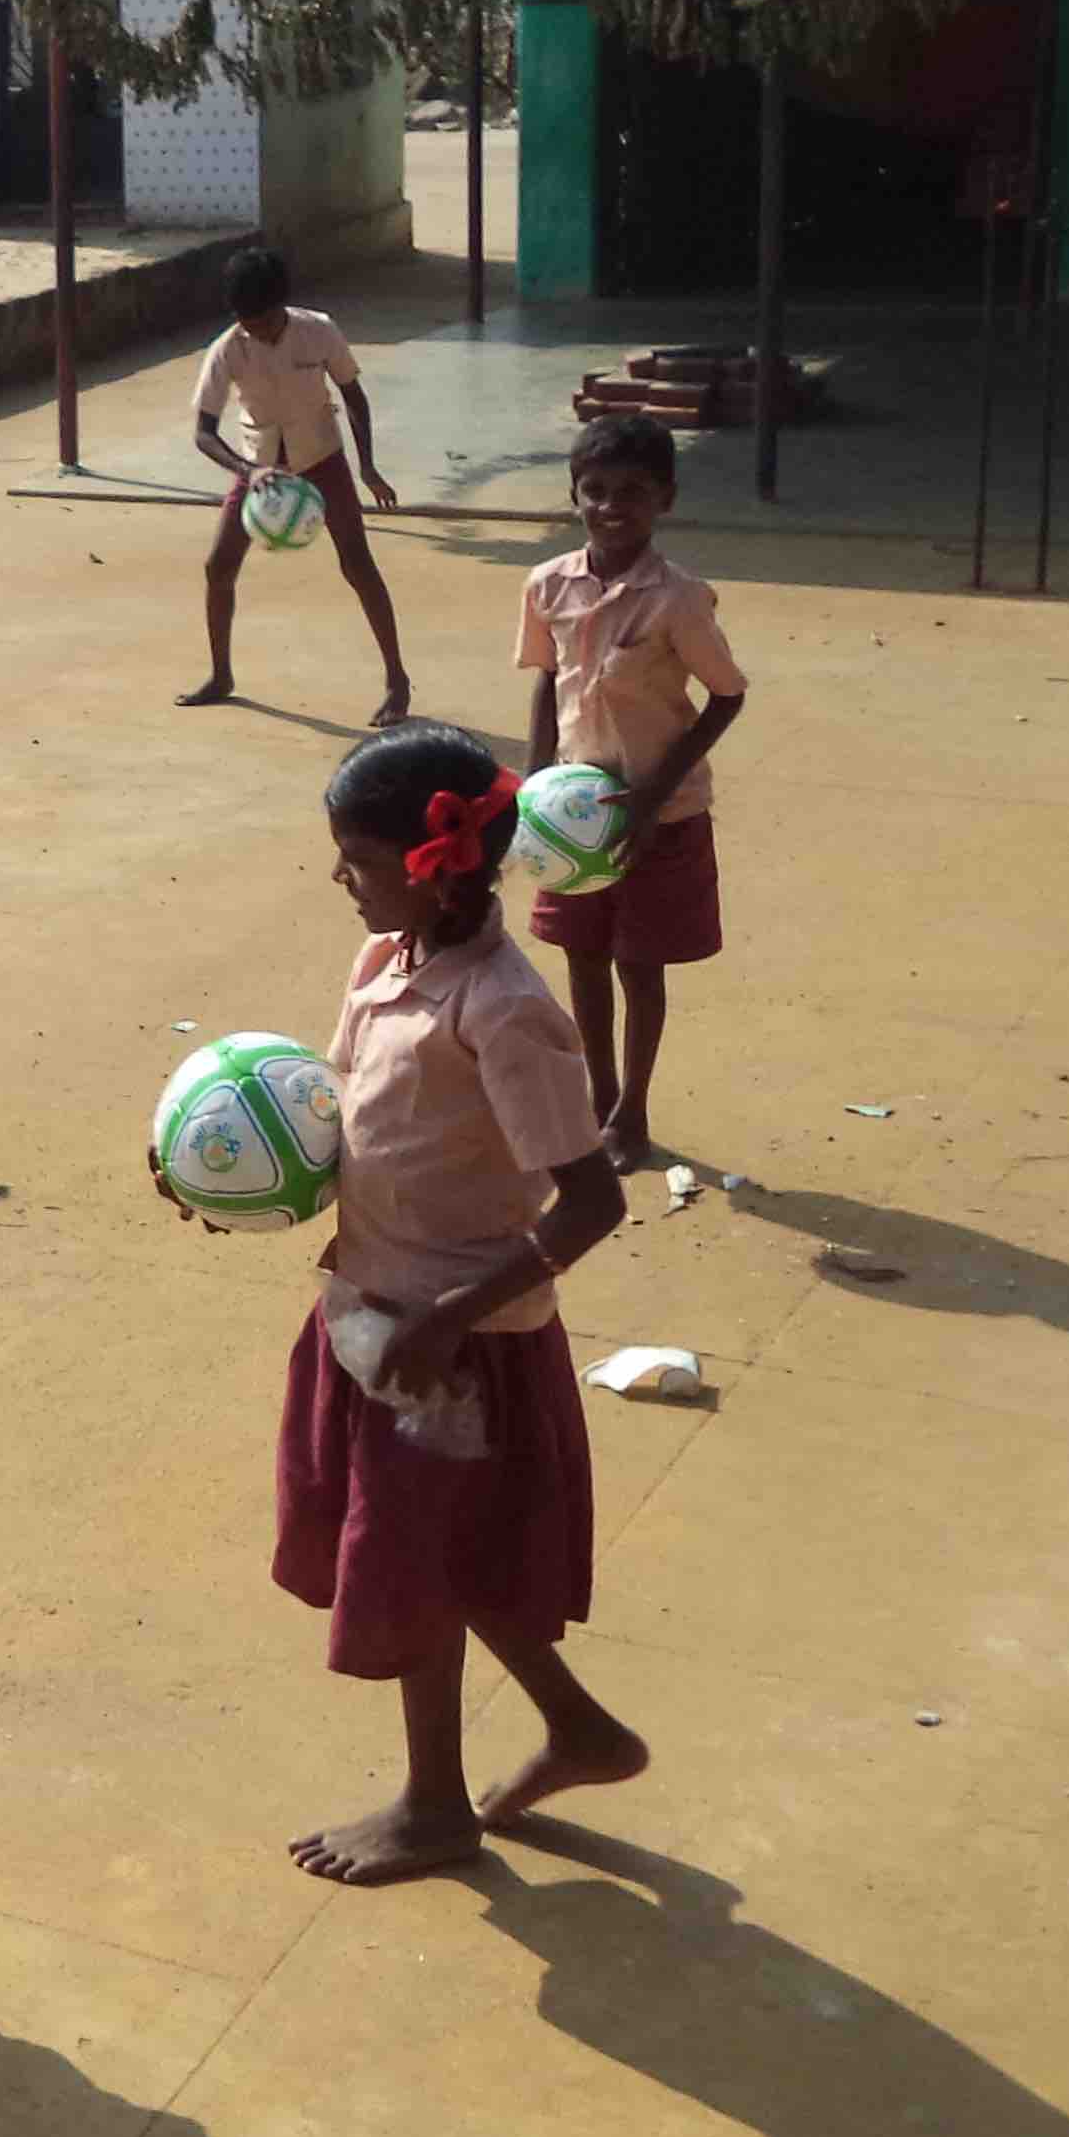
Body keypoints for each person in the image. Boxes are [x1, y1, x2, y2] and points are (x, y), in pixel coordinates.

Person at [234, 724, 639, 1887]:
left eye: (359, 859)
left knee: (426, 1569)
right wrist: (240, 1176)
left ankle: (434, 1808)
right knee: (442, 1559)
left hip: (458, 1355)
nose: (339, 877)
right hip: (379, 1320)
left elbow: (592, 1202)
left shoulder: (505, 1012)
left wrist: (452, 1315)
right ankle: (578, 1731)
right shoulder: (384, 964)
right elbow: (360, 1122)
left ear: (438, 864)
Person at [519, 413, 748, 1169]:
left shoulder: (679, 599)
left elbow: (726, 697)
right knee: (582, 957)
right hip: (569, 819)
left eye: (633, 493)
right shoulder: (546, 585)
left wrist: (652, 796)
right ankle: (599, 1097)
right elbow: (547, 681)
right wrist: (531, 785)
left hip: (659, 818)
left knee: (638, 964)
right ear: (574, 495)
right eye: (596, 490)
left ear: (664, 500)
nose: (612, 507)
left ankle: (633, 1112)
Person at [178, 248, 411, 724]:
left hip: (322, 460)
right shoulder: (227, 349)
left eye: (265, 321)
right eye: (248, 323)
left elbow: (353, 395)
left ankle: (397, 681)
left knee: (358, 564)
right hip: (260, 472)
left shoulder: (319, 330)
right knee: (218, 566)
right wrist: (247, 471)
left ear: (281, 305)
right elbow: (203, 432)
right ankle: (221, 675)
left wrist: (367, 467)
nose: (259, 332)